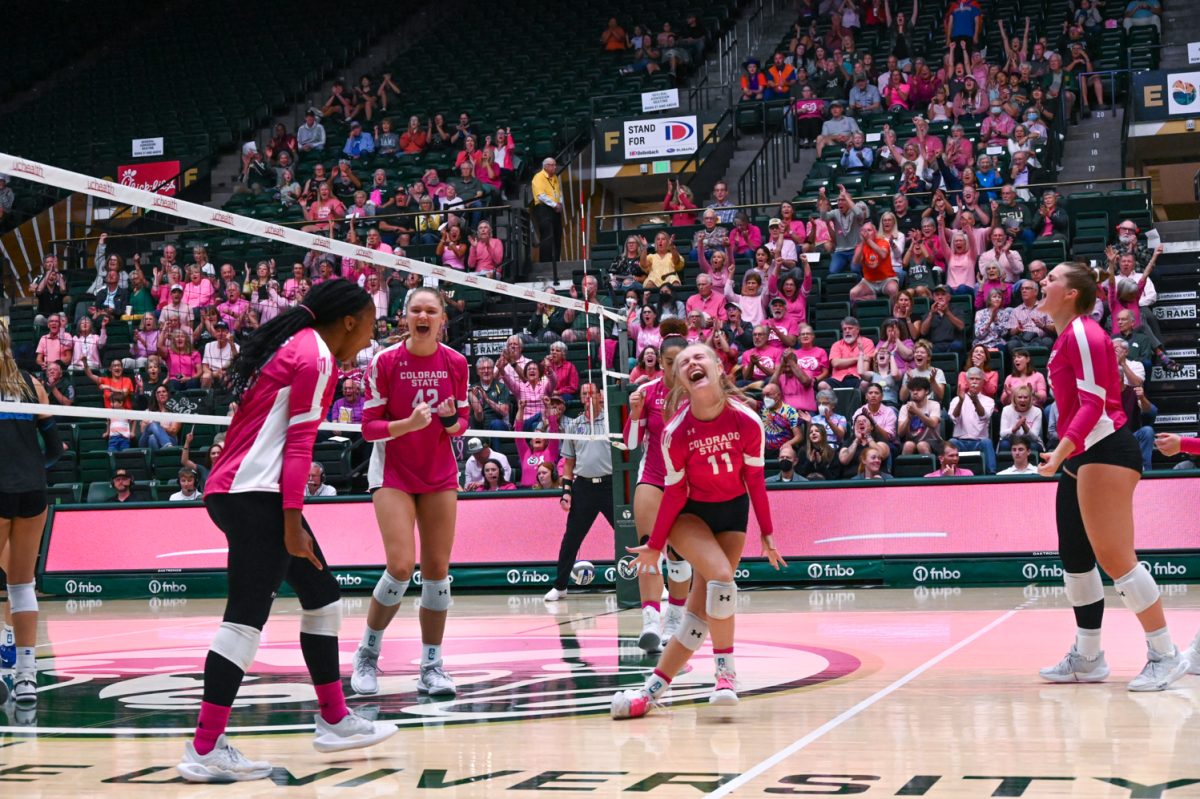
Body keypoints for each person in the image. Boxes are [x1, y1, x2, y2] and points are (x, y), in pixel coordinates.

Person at [177, 280, 393, 783]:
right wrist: (293, 524)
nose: (369, 337)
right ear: (348, 322)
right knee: (244, 622)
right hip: (258, 496)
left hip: (248, 491)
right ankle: (205, 747)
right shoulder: (317, 358)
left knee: (324, 599)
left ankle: (335, 720)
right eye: (369, 326)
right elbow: (298, 450)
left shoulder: (299, 347)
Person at [1036, 262, 1188, 691]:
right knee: (1075, 557)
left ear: (1071, 293)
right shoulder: (1066, 335)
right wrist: (1067, 454)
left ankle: (1164, 654)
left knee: (1117, 558)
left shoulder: (1084, 332)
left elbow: (1093, 404)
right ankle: (1088, 656)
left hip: (1104, 447)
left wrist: (1060, 452)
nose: (1043, 282)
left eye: (1052, 279)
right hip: (1082, 452)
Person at [611, 344, 784, 719]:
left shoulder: (747, 420)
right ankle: (725, 674)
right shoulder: (676, 431)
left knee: (699, 615)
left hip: (732, 513)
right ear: (682, 383)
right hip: (690, 513)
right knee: (722, 579)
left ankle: (650, 691)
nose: (691, 362)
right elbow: (673, 493)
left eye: (699, 357)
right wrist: (655, 545)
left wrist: (767, 533)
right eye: (684, 361)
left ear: (719, 368)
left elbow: (755, 479)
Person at [351, 287, 469, 700]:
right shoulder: (384, 362)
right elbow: (368, 428)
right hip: (393, 472)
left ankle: (432, 666)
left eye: (431, 310)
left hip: (438, 474)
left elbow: (461, 426)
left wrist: (452, 418)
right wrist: (407, 425)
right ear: (405, 317)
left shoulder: (456, 362)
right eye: (416, 309)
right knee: (401, 566)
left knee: (437, 571)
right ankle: (367, 653)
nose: (423, 316)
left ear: (441, 319)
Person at [0, 324, 61, 706]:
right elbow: (56, 448)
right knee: (21, 586)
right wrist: (32, 469)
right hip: (33, 493)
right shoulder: (32, 384)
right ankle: (26, 677)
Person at [624, 331, 694, 652]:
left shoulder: (699, 394)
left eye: (681, 363)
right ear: (660, 363)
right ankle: (650, 621)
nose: (675, 370)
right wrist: (635, 414)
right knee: (647, 549)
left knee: (679, 555)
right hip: (652, 477)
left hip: (687, 483)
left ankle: (676, 617)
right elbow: (630, 444)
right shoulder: (646, 392)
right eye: (669, 363)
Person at [543, 384, 614, 602]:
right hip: (584, 487)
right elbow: (568, 465)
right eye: (584, 394)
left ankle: (652, 584)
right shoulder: (574, 425)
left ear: (601, 396)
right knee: (571, 538)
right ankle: (561, 586)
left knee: (629, 534)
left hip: (611, 486)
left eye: (592, 393)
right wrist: (566, 492)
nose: (588, 397)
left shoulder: (612, 422)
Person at [949, 367, 996, 473]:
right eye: (971, 379)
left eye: (977, 379)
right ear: (967, 381)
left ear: (983, 382)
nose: (974, 381)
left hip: (979, 441)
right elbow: (954, 418)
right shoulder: (956, 399)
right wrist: (961, 401)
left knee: (987, 443)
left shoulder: (989, 401)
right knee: (951, 443)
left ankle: (992, 475)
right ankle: (949, 473)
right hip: (960, 441)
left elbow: (983, 416)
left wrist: (975, 401)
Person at [531, 158, 564, 263]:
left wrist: (560, 203)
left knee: (557, 235)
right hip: (544, 209)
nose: (555, 167)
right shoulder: (538, 177)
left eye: (555, 165)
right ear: (545, 166)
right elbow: (541, 196)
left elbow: (558, 192)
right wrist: (554, 204)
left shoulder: (554, 177)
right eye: (552, 165)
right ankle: (546, 262)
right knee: (547, 236)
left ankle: (557, 261)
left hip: (555, 209)